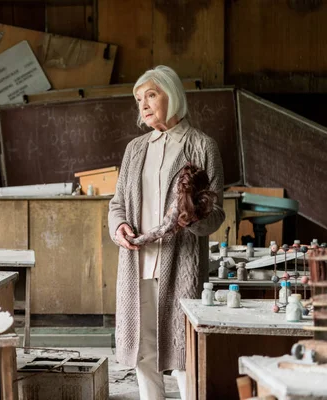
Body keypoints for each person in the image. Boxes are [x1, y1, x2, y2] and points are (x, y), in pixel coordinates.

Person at [108, 65, 225, 400]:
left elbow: (215, 214)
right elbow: (117, 202)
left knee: (184, 352)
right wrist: (118, 226)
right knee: (143, 351)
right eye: (138, 99)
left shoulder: (203, 146)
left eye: (151, 95)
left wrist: (193, 218)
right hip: (137, 263)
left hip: (181, 264)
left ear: (171, 96)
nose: (143, 104)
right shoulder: (135, 149)